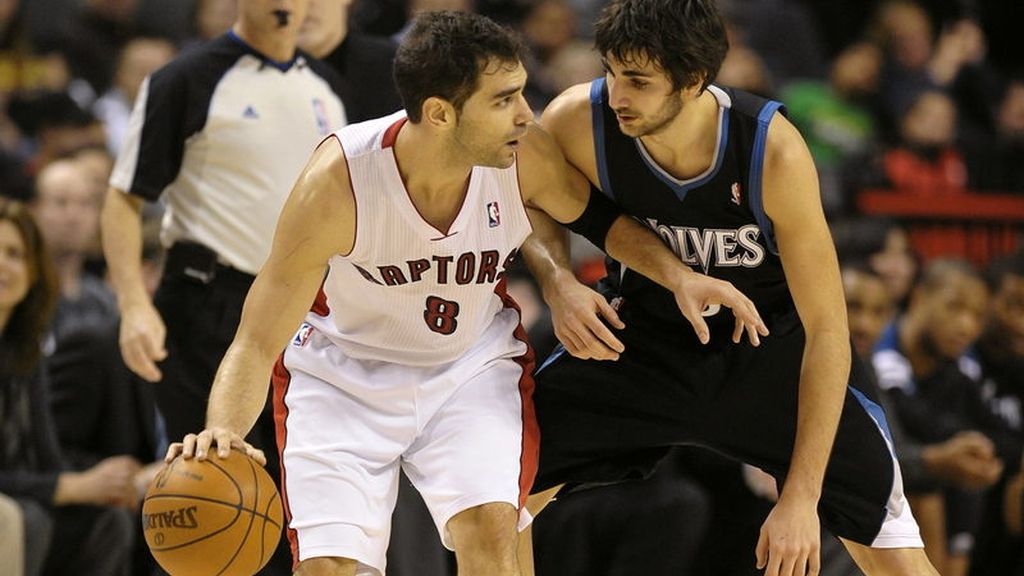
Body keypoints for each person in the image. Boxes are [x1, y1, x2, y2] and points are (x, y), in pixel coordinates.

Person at [165, 11, 766, 576]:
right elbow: (256, 338)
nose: (527, 115)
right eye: (504, 101)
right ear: (440, 113)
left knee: (492, 530)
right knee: (331, 566)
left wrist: (677, 274)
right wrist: (224, 430)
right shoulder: (338, 184)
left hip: (467, 368)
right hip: (342, 376)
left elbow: (602, 222)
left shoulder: (522, 157)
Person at [517, 1, 942, 574]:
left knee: (898, 556)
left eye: (638, 81)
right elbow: (535, 195)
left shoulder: (774, 150)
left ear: (692, 80)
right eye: (612, 72)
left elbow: (827, 329)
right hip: (644, 341)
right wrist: (559, 281)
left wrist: (799, 497)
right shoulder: (578, 118)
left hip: (772, 351)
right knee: (497, 491)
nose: (616, 94)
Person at [0, 198, 136, 576]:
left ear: (32, 273)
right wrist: (69, 487)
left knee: (107, 519)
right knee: (20, 518)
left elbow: (49, 458)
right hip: (13, 508)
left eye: (15, 254)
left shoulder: (27, 353)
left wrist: (102, 482)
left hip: (22, 495)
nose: (3, 265)